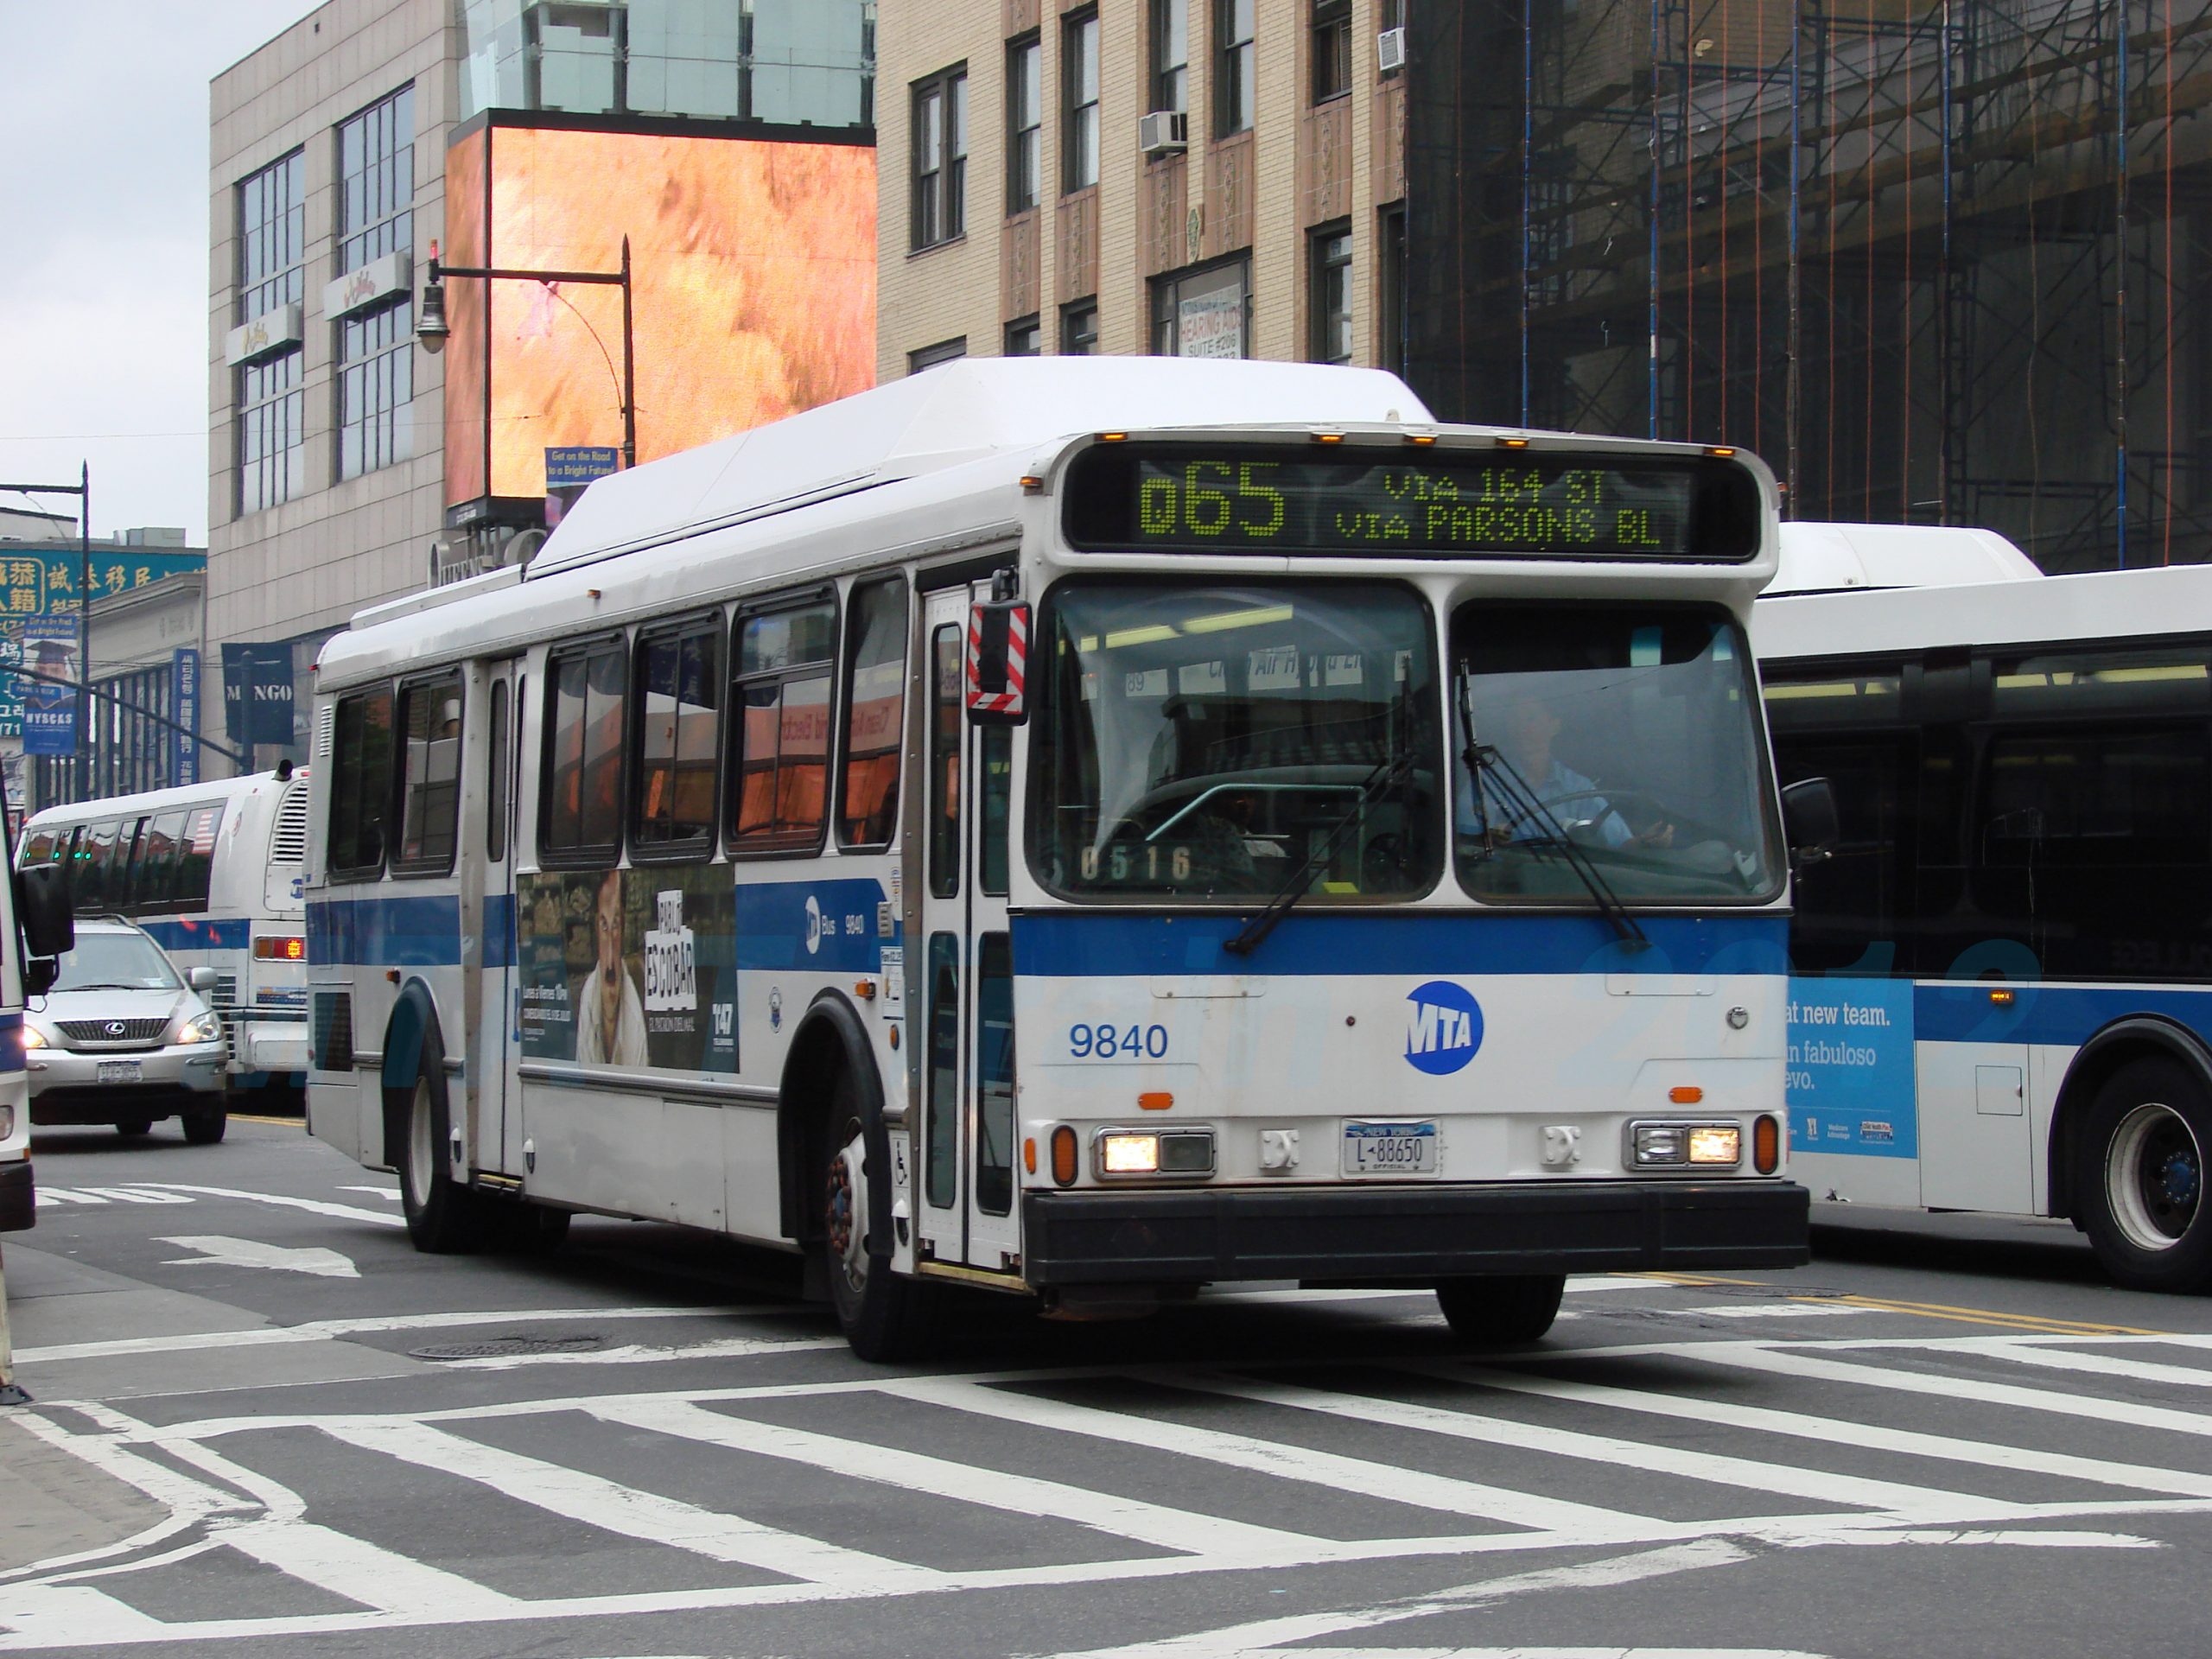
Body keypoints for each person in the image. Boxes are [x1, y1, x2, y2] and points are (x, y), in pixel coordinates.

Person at [1460, 694, 1672, 850]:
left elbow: (1620, 844)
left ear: (1554, 726)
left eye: (1530, 719)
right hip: (1503, 888)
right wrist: (1490, 837)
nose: (1520, 728)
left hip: (1570, 886)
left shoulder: (1578, 786)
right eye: (1513, 720)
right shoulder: (1486, 782)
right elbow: (1463, 842)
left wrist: (1648, 842)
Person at [574, 867, 649, 1068]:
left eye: (615, 925)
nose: (609, 950)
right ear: (596, 928)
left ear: (624, 926)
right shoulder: (588, 995)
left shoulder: (637, 1003)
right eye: (604, 926)